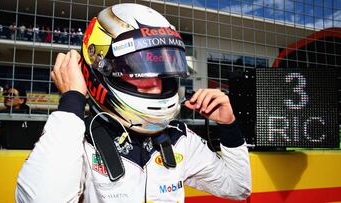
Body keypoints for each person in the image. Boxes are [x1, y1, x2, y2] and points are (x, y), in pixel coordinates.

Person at [15, 3, 251, 202]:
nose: (156, 84)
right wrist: (72, 100)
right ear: (102, 68)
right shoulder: (79, 139)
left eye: (160, 70)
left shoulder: (179, 137)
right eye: (139, 69)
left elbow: (238, 189)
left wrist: (228, 125)